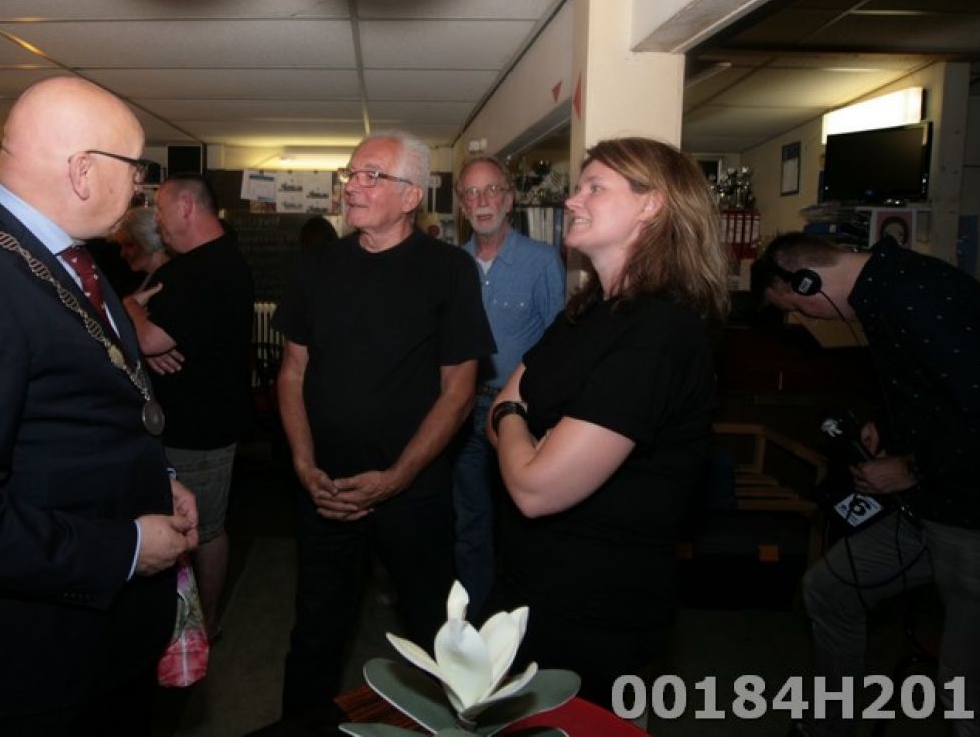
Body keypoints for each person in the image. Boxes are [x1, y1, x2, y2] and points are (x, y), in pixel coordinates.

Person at [0, 76, 198, 737]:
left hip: (92, 647)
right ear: (83, 170)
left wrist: (156, 481)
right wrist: (127, 547)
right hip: (28, 666)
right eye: (134, 167)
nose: (139, 185)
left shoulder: (65, 257)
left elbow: (76, 415)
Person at [755, 232, 980, 737]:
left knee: (974, 691)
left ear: (807, 280)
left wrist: (909, 468)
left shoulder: (916, 296)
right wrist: (887, 426)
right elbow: (937, 389)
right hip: (932, 507)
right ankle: (830, 725)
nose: (804, 317)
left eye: (795, 305)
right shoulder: (884, 293)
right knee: (830, 590)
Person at [487, 136, 727, 709]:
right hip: (529, 591)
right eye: (578, 186)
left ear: (652, 204)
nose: (573, 200)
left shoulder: (659, 333)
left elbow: (535, 489)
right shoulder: (586, 313)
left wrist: (519, 426)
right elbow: (501, 406)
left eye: (595, 187)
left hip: (595, 613)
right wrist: (522, 427)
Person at [271, 132, 496, 728]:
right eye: (351, 174)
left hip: (413, 493)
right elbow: (292, 373)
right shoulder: (317, 266)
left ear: (411, 196)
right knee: (315, 632)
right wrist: (303, 464)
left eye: (372, 176)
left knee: (436, 633)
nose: (354, 186)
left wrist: (397, 477)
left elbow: (458, 391)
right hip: (325, 489)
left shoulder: (448, 271)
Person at [121, 173, 254, 641]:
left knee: (204, 530)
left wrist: (130, 309)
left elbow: (151, 339)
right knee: (184, 528)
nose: (157, 221)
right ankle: (184, 623)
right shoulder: (195, 265)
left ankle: (206, 625)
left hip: (202, 432)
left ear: (186, 208)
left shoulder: (211, 268)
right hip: (179, 428)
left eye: (160, 209)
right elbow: (156, 343)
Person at [452, 154, 565, 619]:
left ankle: (520, 621)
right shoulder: (452, 265)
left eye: (491, 190)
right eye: (471, 193)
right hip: (461, 412)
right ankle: (474, 627)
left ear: (509, 199)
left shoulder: (542, 262)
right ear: (462, 205)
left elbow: (559, 346)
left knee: (521, 517)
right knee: (469, 520)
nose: (482, 201)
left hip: (517, 414)